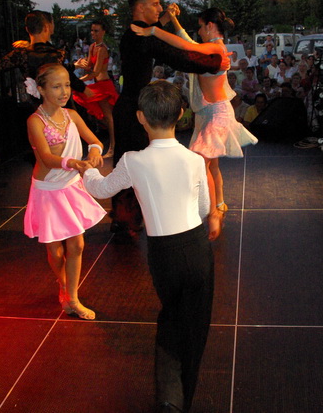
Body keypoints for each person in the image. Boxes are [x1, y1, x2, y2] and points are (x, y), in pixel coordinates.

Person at [81, 81, 215, 412]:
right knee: (196, 325)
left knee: (171, 316)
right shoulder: (194, 159)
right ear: (180, 115)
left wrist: (87, 172)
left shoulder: (133, 161)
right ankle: (183, 396)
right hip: (196, 247)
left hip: (163, 253)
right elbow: (203, 209)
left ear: (141, 117)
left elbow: (102, 189)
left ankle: (170, 398)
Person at [113, 0, 226, 238]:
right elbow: (179, 57)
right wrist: (215, 62)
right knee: (130, 167)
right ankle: (125, 221)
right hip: (133, 111)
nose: (160, 8)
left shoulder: (136, 32)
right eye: (155, 4)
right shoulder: (140, 36)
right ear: (140, 7)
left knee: (131, 165)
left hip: (132, 107)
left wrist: (164, 20)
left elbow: (158, 35)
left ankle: (127, 220)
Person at [131, 7, 258, 228]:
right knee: (211, 165)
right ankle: (218, 204)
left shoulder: (215, 47)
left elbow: (187, 46)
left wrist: (153, 31)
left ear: (210, 26)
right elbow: (188, 41)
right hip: (208, 113)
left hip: (217, 113)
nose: (198, 31)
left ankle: (212, 213)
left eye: (200, 26)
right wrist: (173, 20)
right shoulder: (211, 48)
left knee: (200, 163)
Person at [23, 63, 106, 320]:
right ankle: (63, 284)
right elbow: (47, 159)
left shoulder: (72, 115)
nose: (64, 91)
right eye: (57, 86)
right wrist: (75, 163)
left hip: (70, 186)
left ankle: (72, 297)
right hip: (48, 191)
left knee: (77, 244)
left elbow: (95, 141)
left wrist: (94, 152)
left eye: (67, 85)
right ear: (41, 90)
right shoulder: (35, 121)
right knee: (55, 251)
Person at [73, 20, 119, 157]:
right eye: (92, 30)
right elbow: (89, 67)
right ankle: (113, 146)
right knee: (106, 117)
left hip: (104, 86)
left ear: (103, 32)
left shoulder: (102, 49)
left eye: (96, 30)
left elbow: (96, 72)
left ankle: (113, 148)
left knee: (109, 117)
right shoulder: (93, 46)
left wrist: (78, 81)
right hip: (98, 84)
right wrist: (79, 65)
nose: (93, 33)